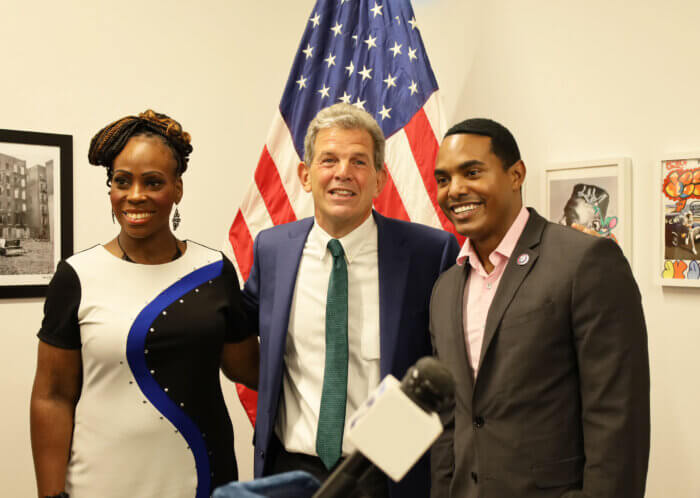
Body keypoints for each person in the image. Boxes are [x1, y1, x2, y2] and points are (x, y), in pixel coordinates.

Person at [30, 110, 259, 498]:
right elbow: (52, 396)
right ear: (111, 190)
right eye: (122, 181)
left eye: (153, 182)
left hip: (202, 478)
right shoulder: (77, 275)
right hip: (100, 484)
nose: (135, 195)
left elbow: (249, 369)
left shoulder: (214, 271)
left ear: (177, 189)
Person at [242, 103, 459, 497]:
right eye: (329, 160)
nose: (343, 172)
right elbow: (243, 343)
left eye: (359, 161)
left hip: (384, 474)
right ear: (305, 176)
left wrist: (378, 464)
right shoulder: (272, 250)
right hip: (291, 471)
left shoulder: (429, 253)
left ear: (379, 179)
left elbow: (449, 367)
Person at [429, 118, 650, 498]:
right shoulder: (445, 287)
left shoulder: (586, 262)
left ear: (516, 175)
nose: (456, 190)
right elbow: (450, 420)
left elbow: (618, 420)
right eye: (444, 179)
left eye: (472, 172)